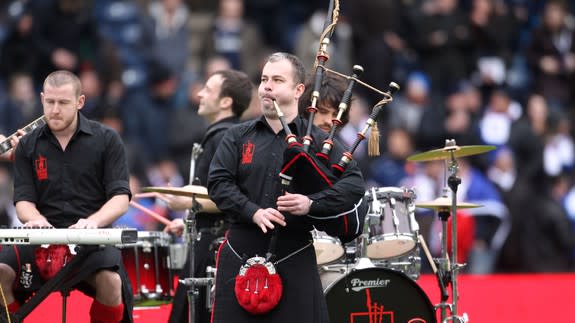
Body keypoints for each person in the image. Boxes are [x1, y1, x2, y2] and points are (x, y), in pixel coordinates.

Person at [207, 52, 366, 322]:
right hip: (240, 249)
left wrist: (311, 203)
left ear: (298, 90)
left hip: (294, 251)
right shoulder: (236, 135)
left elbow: (354, 185)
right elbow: (218, 183)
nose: (267, 86)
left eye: (277, 80)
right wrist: (253, 211)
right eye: (264, 79)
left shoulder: (316, 141)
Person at [0, 70, 133, 322]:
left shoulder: (107, 140)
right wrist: (36, 219)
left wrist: (93, 222)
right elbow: (23, 200)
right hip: (40, 236)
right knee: (0, 272)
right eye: (49, 102)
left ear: (80, 102)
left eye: (63, 103)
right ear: (41, 99)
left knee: (111, 282)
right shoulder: (27, 144)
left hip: (92, 239)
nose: (55, 110)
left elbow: (120, 198)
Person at [162, 69, 253, 323]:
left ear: (226, 101)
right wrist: (189, 218)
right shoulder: (224, 135)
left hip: (215, 250)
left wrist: (188, 202)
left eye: (208, 90)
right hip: (207, 241)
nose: (200, 93)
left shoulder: (225, 137)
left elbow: (235, 197)